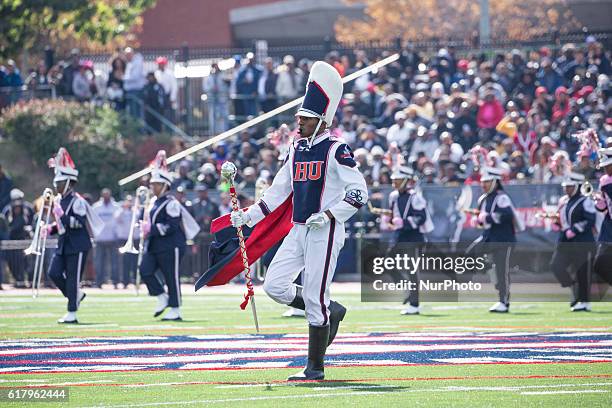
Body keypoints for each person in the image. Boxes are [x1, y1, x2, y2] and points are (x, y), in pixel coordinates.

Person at [230, 61, 368, 380]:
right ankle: (331, 311)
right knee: (275, 285)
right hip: (299, 228)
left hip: (326, 230)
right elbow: (279, 189)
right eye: (299, 117)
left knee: (314, 298)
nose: (299, 122)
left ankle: (315, 368)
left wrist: (330, 214)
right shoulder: (296, 149)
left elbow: (359, 191)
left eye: (305, 118)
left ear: (321, 121)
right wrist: (248, 216)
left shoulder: (336, 149)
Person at [44, 148, 103, 323]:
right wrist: (50, 229)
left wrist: (61, 214)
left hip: (78, 244)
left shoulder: (78, 201)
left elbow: (78, 223)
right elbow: (63, 225)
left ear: (69, 182)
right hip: (64, 243)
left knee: (72, 278)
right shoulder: (59, 200)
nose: (56, 186)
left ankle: (72, 312)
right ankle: (76, 295)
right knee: (53, 273)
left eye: (60, 182)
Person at [139, 151, 200, 321]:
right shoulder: (152, 202)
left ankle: (175, 308)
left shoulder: (172, 203)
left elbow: (171, 226)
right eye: (152, 183)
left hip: (171, 245)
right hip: (154, 245)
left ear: (165, 185)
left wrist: (151, 228)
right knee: (145, 270)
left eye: (156, 184)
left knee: (170, 276)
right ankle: (161, 297)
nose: (152, 186)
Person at [473, 166, 524, 313]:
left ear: (495, 182)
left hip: (503, 239)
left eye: (487, 182)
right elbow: (483, 219)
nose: (483, 185)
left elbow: (506, 216)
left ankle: (504, 301)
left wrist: (487, 217)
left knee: (502, 270)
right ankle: (494, 277)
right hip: (489, 237)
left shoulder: (502, 197)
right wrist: (480, 220)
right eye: (483, 182)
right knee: (472, 253)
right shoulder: (484, 198)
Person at [382, 167, 433, 315]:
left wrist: (404, 222)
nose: (394, 183)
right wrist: (389, 218)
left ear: (405, 181)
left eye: (397, 180)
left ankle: (414, 304)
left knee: (412, 270)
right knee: (387, 262)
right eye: (394, 180)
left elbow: (421, 217)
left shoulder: (416, 197)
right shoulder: (393, 196)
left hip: (414, 237)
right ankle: (407, 289)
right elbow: (393, 214)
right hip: (400, 236)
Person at [550, 171, 596, 311]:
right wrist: (557, 223)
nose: (566, 189)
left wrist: (575, 229)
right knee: (556, 265)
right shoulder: (564, 200)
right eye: (565, 186)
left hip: (582, 240)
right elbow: (564, 220)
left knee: (582, 270)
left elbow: (590, 220)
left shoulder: (585, 200)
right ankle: (573, 287)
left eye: (570, 186)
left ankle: (584, 301)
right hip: (565, 239)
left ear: (577, 186)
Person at [1, 189, 34, 287]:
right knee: (14, 263)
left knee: (28, 262)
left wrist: (29, 229)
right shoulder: (7, 211)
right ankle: (18, 280)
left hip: (26, 241)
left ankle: (30, 281)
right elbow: (5, 227)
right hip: (12, 243)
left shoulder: (28, 209)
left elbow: (32, 223)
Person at [92, 188, 120, 288]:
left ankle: (115, 282)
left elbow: (119, 222)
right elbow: (92, 221)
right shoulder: (96, 207)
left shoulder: (116, 207)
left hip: (113, 238)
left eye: (108, 194)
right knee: (99, 262)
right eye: (104, 195)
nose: (106, 196)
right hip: (100, 238)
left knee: (114, 262)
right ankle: (99, 282)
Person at [593, 147, 612, 290]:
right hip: (609, 226)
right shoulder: (604, 181)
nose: (605, 169)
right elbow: (603, 207)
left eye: (608, 166)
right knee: (599, 264)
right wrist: (599, 202)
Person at [123, 47, 146, 120]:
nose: (127, 56)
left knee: (136, 112)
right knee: (132, 112)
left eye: (128, 54)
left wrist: (123, 78)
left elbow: (135, 77)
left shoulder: (137, 62)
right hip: (131, 91)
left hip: (136, 91)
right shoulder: (130, 63)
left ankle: (139, 129)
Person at [154, 57, 177, 123]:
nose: (160, 65)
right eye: (159, 64)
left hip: (168, 96)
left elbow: (174, 86)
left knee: (169, 114)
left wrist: (172, 98)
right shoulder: (156, 73)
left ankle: (169, 131)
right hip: (159, 97)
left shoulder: (170, 73)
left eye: (161, 64)